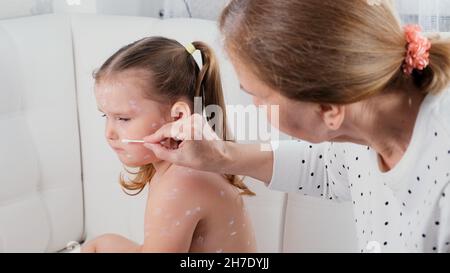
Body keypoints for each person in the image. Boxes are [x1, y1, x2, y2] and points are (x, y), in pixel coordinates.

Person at [143, 0, 450, 252]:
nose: (254, 108)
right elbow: (328, 169)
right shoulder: (366, 125)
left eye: (259, 96)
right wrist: (221, 156)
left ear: (328, 109)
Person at [81, 36, 256, 253]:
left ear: (178, 116)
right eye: (104, 116)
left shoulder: (182, 181)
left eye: (123, 119)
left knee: (99, 246)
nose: (109, 133)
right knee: (103, 243)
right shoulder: (176, 170)